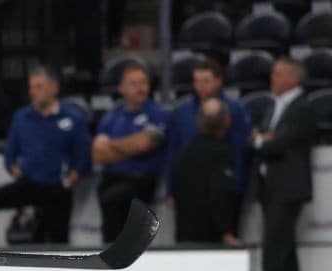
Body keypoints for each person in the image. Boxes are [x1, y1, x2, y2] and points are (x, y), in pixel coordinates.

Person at [0, 66, 90, 245]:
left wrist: (71, 178)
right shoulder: (22, 117)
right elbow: (10, 152)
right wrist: (14, 169)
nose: (33, 92)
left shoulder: (73, 118)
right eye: (31, 87)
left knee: (58, 238)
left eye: (38, 87)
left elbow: (82, 156)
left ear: (54, 88)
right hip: (28, 183)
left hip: (57, 187)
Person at [251, 57, 318, 271]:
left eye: (278, 74)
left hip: (287, 189)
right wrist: (262, 139)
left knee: (276, 254)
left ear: (293, 78)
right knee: (284, 254)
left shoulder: (302, 108)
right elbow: (264, 137)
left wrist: (260, 141)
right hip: (270, 189)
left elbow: (275, 144)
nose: (272, 78)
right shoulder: (273, 105)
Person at [165, 58, 251, 228]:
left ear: (219, 81)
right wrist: (171, 190)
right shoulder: (182, 111)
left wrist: (238, 187)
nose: (201, 86)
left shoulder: (235, 110)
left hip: (223, 188)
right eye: (197, 81)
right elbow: (173, 152)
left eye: (206, 81)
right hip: (189, 188)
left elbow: (240, 153)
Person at [91, 62, 168, 242]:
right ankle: (110, 248)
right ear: (121, 88)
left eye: (143, 83)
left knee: (114, 198)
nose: (140, 88)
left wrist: (111, 145)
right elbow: (98, 155)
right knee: (108, 194)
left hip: (141, 178)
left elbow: (144, 144)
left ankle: (118, 250)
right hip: (112, 178)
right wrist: (130, 145)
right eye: (134, 84)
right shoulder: (111, 117)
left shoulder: (158, 113)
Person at [169, 98, 242, 246]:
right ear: (227, 121)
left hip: (184, 235)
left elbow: (174, 194)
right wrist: (226, 232)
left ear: (198, 121)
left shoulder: (184, 152)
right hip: (212, 237)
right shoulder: (223, 153)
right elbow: (220, 193)